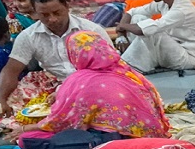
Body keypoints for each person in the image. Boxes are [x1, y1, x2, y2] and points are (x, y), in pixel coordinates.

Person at [0, 0, 109, 119]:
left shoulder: (92, 30)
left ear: (67, 7)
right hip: (53, 88)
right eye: (45, 15)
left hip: (91, 83)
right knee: (12, 110)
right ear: (35, 13)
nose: (52, 19)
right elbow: (10, 70)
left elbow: (111, 67)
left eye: (57, 13)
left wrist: (72, 89)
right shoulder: (28, 36)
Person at [29, 31, 169, 138]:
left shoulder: (81, 80)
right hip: (151, 135)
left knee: (31, 138)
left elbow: (61, 121)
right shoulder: (129, 73)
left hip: (114, 140)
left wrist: (25, 129)